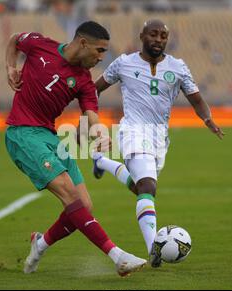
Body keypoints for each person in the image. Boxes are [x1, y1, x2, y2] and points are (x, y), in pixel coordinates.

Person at [4, 21, 147, 276]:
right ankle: (117, 256)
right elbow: (15, 39)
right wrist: (10, 67)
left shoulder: (84, 81)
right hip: (23, 134)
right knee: (71, 196)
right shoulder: (40, 46)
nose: (101, 58)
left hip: (49, 136)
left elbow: (91, 114)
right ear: (82, 43)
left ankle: (40, 244)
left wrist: (100, 131)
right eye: (99, 51)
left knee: (83, 205)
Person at [93, 20, 224, 268]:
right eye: (153, 34)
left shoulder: (178, 67)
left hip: (159, 138)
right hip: (132, 129)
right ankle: (153, 247)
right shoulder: (123, 63)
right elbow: (94, 89)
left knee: (139, 187)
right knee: (147, 187)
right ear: (142, 36)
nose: (159, 39)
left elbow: (196, 99)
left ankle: (101, 161)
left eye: (163, 36)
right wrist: (86, 117)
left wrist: (207, 119)